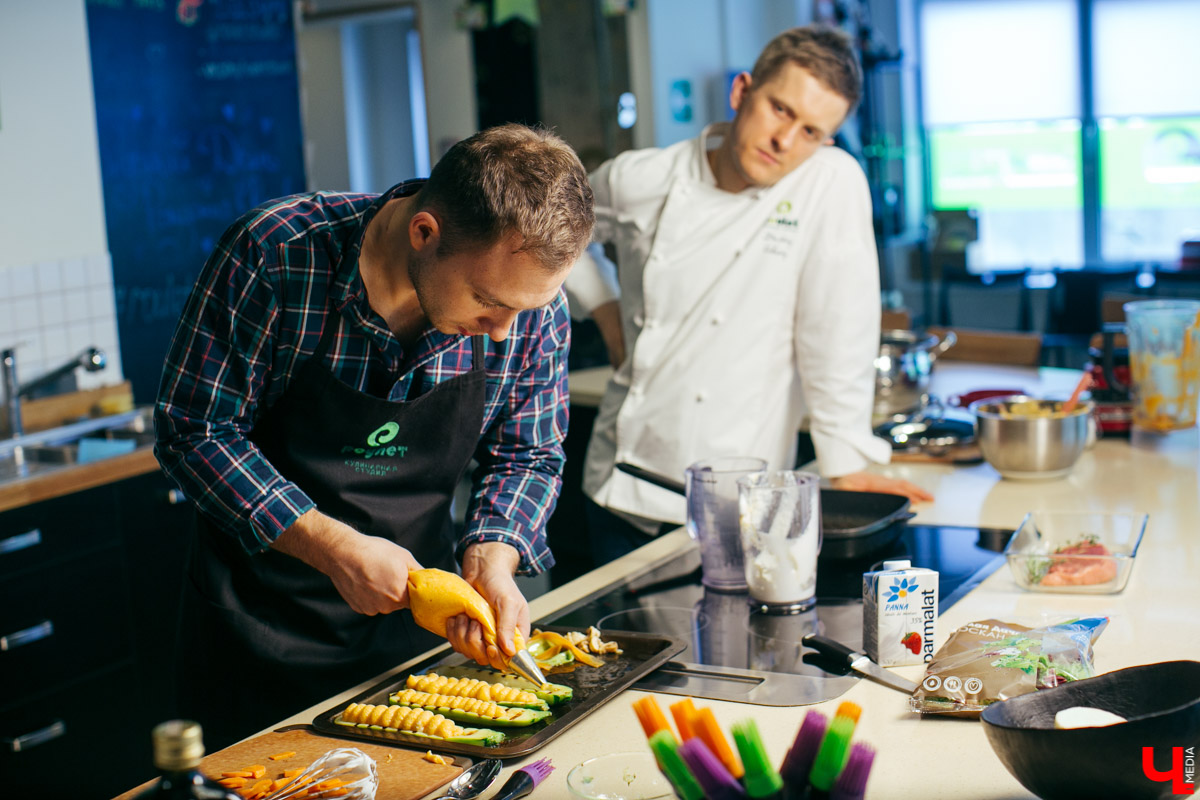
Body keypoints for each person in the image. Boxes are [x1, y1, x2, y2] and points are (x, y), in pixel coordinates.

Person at [155, 124, 594, 747]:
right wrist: (332, 547)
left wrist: (491, 559)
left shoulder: (527, 306)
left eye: (526, 310)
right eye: (486, 302)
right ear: (424, 232)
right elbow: (194, 431)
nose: (504, 332)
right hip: (259, 635)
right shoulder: (275, 256)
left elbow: (528, 452)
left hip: (413, 647)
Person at [565, 25, 932, 563]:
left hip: (743, 505)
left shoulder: (826, 182)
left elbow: (838, 326)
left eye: (811, 131)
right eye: (780, 110)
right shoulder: (643, 178)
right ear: (742, 92)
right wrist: (605, 311)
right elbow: (554, 228)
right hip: (624, 486)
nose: (786, 141)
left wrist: (845, 458)